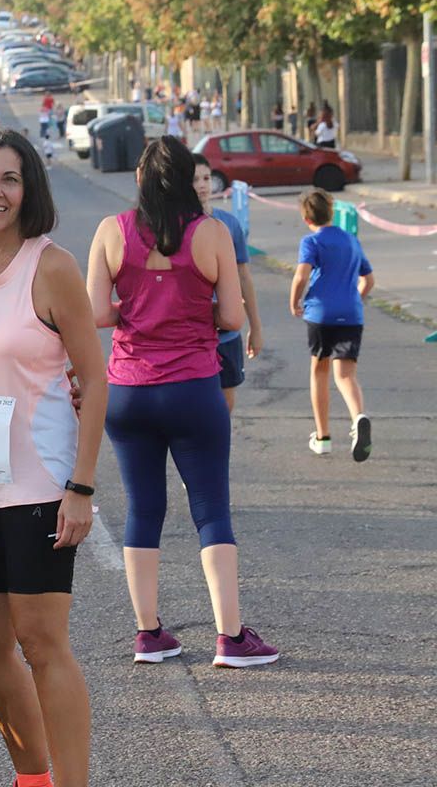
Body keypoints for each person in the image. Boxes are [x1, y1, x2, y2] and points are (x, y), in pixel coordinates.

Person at [0, 130, 107, 787]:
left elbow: (94, 378)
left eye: (10, 179)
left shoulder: (53, 266)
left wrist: (82, 487)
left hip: (40, 484)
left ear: (28, 189)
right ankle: (31, 775)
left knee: (42, 644)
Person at [86, 136, 279, 669]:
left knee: (143, 509)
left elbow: (97, 314)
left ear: (143, 180)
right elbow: (233, 320)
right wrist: (192, 307)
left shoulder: (111, 231)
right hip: (193, 385)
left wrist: (137, 306)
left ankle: (148, 633)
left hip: (128, 389)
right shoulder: (210, 232)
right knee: (211, 508)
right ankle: (231, 637)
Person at [289, 188, 374, 461]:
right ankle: (358, 416)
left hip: (320, 314)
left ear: (306, 217)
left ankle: (323, 437)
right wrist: (354, 300)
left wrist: (294, 302)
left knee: (320, 370)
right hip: (351, 314)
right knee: (346, 374)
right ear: (332, 212)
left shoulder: (311, 242)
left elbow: (301, 276)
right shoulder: (351, 240)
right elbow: (368, 280)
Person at [192, 153, 264, 411]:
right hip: (192, 336)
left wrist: (255, 327)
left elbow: (244, 277)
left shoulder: (229, 224)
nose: (202, 185)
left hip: (226, 335)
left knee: (225, 404)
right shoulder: (178, 226)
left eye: (206, 178)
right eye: (194, 179)